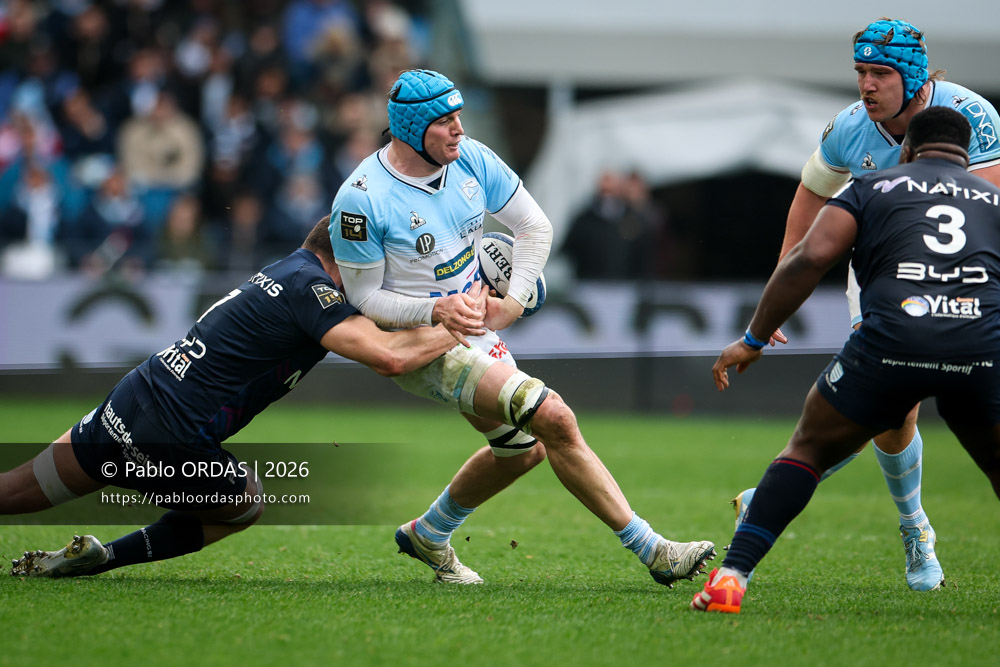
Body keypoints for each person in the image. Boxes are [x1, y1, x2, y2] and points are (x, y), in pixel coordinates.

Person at [329, 68, 715, 587]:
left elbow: (534, 226)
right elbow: (364, 297)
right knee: (553, 417)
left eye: (459, 117)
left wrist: (510, 303)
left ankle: (428, 533)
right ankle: (655, 550)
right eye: (445, 121)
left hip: (471, 326)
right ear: (412, 129)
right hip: (419, 343)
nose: (459, 129)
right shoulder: (361, 197)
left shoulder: (471, 158)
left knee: (522, 452)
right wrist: (436, 312)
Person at [6, 216, 460, 578]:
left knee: (15, 489)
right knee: (245, 503)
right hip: (175, 436)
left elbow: (386, 322)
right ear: (349, 256)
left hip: (134, 394)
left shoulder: (288, 270)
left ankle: (90, 554)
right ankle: (106, 557)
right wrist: (467, 320)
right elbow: (390, 357)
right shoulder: (313, 289)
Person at [693, 106, 1000, 613]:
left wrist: (754, 338)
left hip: (891, 343)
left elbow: (810, 258)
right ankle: (915, 531)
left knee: (807, 450)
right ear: (967, 159)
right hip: (978, 348)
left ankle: (731, 578)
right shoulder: (993, 200)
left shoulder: (871, 188)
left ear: (906, 151)